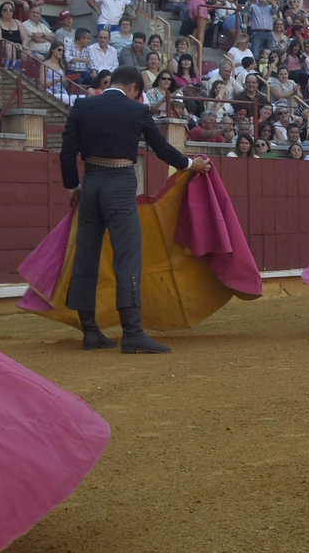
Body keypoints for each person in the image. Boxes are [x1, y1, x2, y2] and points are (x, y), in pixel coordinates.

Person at [59, 65, 213, 354]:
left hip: (91, 184)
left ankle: (90, 332)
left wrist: (74, 187)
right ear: (132, 88)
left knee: (86, 256)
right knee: (127, 255)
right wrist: (192, 165)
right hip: (119, 186)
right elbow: (162, 149)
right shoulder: (136, 111)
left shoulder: (83, 106)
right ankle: (132, 333)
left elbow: (67, 152)